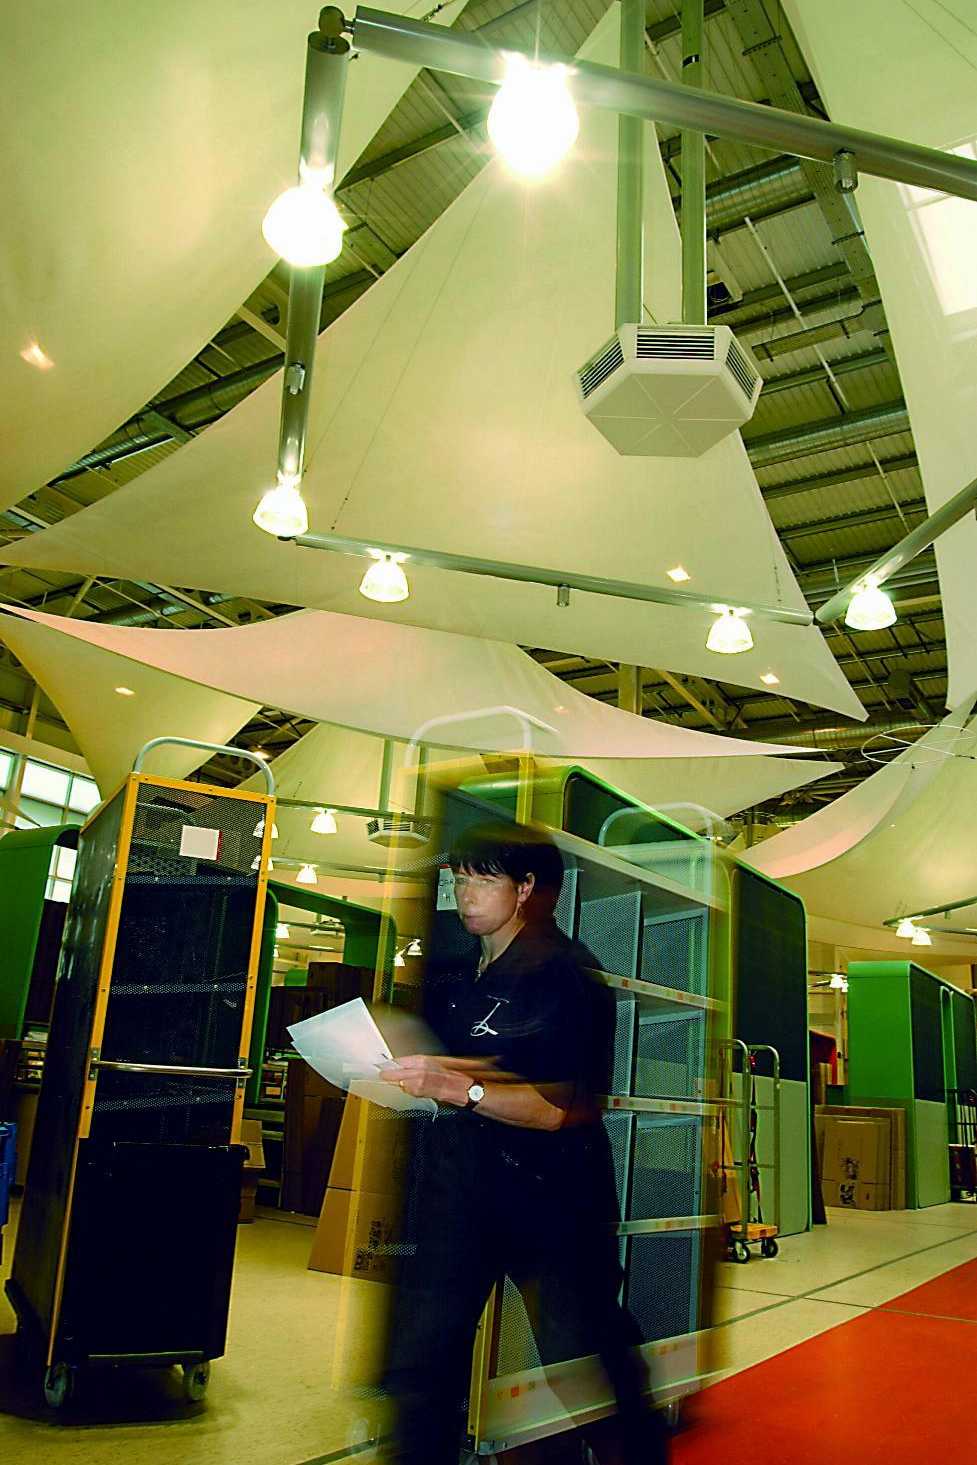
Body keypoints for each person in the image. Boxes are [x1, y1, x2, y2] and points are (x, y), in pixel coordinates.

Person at [380, 823, 669, 1465]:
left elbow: (557, 1107)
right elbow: (468, 1064)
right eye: (460, 878)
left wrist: (457, 1088)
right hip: (463, 1193)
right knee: (424, 1357)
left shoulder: (565, 976)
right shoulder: (459, 975)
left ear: (526, 889)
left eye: (485, 880)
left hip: (554, 1199)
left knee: (583, 1356)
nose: (466, 894)